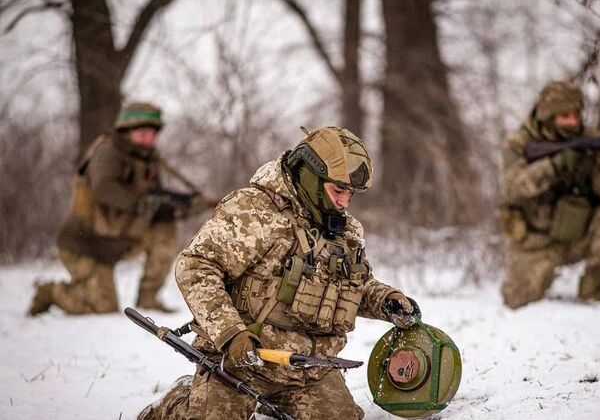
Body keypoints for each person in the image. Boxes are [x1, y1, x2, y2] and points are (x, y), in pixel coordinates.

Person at [138, 126, 421, 420]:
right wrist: (230, 334)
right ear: (311, 178)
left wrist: (387, 300)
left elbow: (354, 288)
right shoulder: (254, 212)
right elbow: (196, 266)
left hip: (311, 370)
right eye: (338, 190)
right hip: (242, 362)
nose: (344, 202)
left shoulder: (346, 230)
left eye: (350, 194)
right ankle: (177, 402)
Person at [28, 102, 205, 315]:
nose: (148, 139)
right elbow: (104, 188)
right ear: (126, 131)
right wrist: (145, 205)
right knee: (102, 307)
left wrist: (177, 208)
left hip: (117, 241)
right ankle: (50, 292)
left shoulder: (145, 160)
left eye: (152, 134)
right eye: (142, 133)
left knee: (164, 228)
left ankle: (148, 299)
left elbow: (153, 198)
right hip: (85, 245)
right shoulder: (108, 151)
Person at [498, 81, 600, 309]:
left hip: (578, 235)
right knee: (517, 300)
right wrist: (556, 165)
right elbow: (513, 187)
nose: (573, 122)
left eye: (576, 115)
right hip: (535, 242)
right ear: (548, 116)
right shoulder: (519, 142)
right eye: (565, 116)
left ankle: (591, 287)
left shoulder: (591, 139)